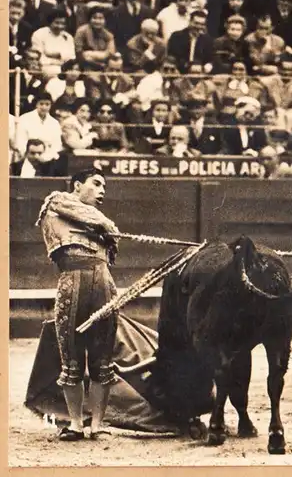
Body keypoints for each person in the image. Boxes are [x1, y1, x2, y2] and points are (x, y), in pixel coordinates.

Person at [31, 168, 178, 439]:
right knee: (72, 359)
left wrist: (106, 230)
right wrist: (106, 226)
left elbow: (108, 251)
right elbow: (94, 220)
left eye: (105, 187)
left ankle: (97, 424)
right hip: (72, 281)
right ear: (76, 185)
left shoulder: (95, 220)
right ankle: (76, 423)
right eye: (96, 184)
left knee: (102, 359)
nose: (102, 191)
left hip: (103, 283)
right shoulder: (57, 201)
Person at [74, 6, 116, 100]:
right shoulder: (81, 31)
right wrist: (100, 58)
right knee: (93, 80)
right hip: (85, 67)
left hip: (103, 67)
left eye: (100, 18)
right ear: (89, 19)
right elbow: (80, 56)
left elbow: (110, 54)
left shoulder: (108, 35)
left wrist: (90, 54)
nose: (97, 21)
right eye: (94, 18)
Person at [15, 91, 63, 161]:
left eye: (47, 104)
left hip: (48, 159)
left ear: (51, 105)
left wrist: (47, 157)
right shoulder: (25, 118)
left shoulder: (54, 123)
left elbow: (57, 144)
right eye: (41, 104)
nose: (44, 107)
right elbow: (20, 141)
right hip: (28, 156)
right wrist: (31, 155)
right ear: (36, 104)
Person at [31, 8, 76, 80]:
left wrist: (57, 54)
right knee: (58, 73)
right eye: (57, 23)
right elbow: (38, 57)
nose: (60, 26)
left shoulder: (68, 37)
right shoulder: (39, 34)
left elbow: (72, 57)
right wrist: (59, 60)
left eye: (63, 24)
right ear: (50, 22)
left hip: (65, 68)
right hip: (45, 68)